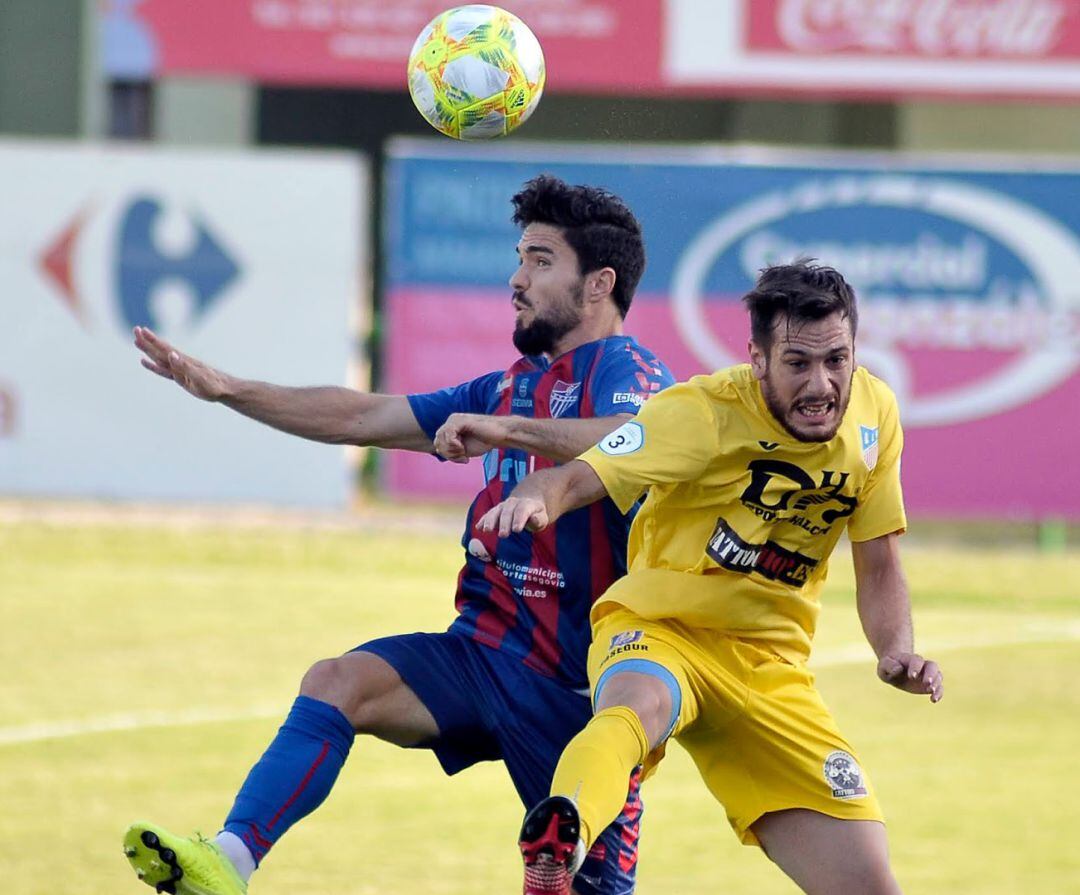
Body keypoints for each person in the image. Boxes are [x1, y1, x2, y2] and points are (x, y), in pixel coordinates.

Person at [121, 174, 674, 895]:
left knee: (585, 887)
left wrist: (509, 432)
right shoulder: (506, 386)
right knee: (338, 681)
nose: (517, 277)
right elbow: (359, 417)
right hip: (482, 657)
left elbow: (640, 438)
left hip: (577, 698)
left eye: (541, 261)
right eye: (520, 256)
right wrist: (230, 390)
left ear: (599, 284)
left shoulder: (633, 374)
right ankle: (229, 859)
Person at [479, 260, 944, 895]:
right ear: (756, 359)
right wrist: (540, 498)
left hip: (772, 667)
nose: (822, 384)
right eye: (798, 364)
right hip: (663, 631)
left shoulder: (875, 416)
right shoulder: (701, 414)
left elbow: (880, 559)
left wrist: (896, 651)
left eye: (837, 360)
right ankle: (562, 844)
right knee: (634, 709)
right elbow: (581, 474)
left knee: (871, 886)